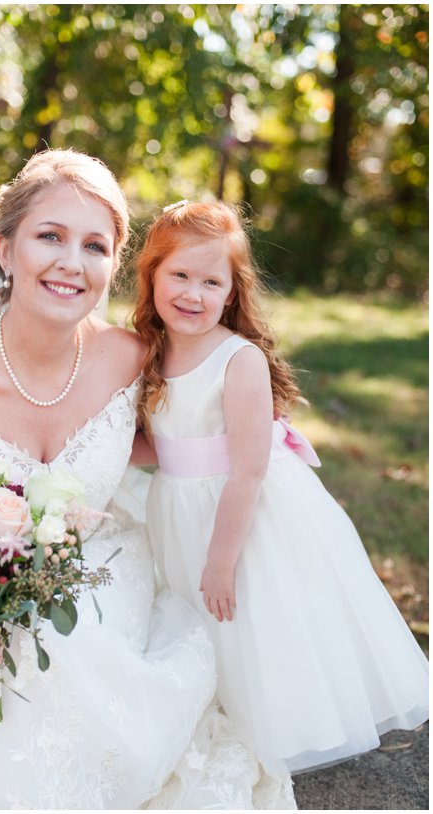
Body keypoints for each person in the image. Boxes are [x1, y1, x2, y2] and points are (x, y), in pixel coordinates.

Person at [0, 149, 294, 809]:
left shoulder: (136, 360)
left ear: (116, 263)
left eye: (95, 246)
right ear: (4, 248)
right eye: (49, 236)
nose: (71, 263)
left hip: (104, 592)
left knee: (70, 650)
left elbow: (201, 426)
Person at [132, 199, 429, 774]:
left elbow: (247, 468)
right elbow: (165, 442)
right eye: (180, 276)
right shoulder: (152, 351)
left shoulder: (236, 359)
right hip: (180, 506)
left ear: (232, 293)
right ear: (152, 275)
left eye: (210, 281)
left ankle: (280, 723)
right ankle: (213, 708)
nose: (193, 294)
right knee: (200, 621)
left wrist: (222, 558)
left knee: (252, 612)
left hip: (243, 515)